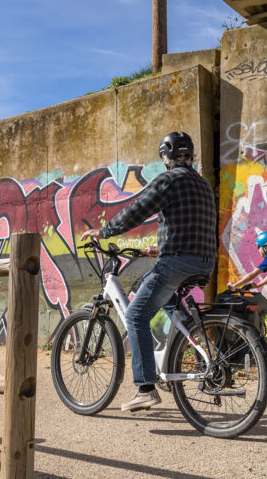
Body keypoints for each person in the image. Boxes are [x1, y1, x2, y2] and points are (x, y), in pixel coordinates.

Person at [80, 131, 217, 412]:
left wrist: (104, 231)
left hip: (177, 262)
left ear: (166, 157)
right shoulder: (202, 185)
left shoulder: (169, 179)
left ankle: (145, 388)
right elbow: (190, 227)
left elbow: (138, 209)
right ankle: (183, 344)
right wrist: (157, 249)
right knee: (166, 299)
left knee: (135, 314)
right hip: (204, 261)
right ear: (189, 155)